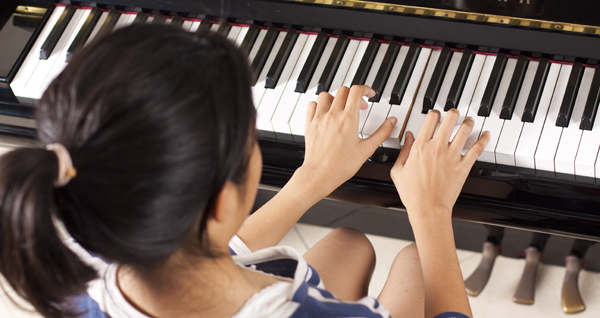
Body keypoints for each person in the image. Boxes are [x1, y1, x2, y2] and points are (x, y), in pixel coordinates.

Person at [0, 23, 489, 318]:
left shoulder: (81, 265)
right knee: (416, 262)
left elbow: (199, 252)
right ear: (221, 203)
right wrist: (431, 209)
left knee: (347, 244)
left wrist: (311, 179)